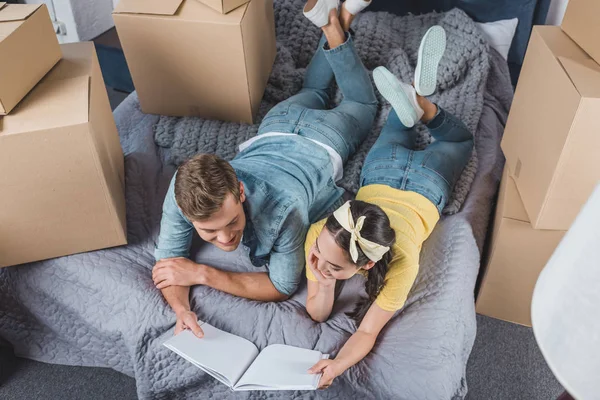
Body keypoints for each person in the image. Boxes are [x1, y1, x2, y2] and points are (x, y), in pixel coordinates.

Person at [151, 0, 375, 338]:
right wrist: (182, 310)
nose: (225, 239)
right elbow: (169, 265)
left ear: (239, 191)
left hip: (325, 138)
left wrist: (202, 274)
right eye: (209, 232)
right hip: (279, 123)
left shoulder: (286, 212)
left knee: (364, 103)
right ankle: (335, 21)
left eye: (231, 222)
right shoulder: (182, 189)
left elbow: (282, 286)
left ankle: (336, 24)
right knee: (312, 90)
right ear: (187, 211)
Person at [304, 26, 474, 389]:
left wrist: (337, 364)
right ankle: (421, 102)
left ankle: (416, 103)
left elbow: (365, 332)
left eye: (329, 263)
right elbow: (318, 314)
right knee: (426, 127)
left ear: (367, 265)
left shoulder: (397, 260)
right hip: (395, 175)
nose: (315, 261)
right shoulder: (322, 235)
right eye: (319, 254)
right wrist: (327, 274)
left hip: (416, 180)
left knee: (459, 140)